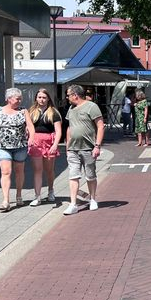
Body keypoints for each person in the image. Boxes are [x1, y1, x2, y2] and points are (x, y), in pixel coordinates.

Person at [0, 88, 35, 212]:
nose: (19, 100)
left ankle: (18, 195)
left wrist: (31, 139)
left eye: (20, 98)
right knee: (6, 172)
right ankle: (6, 200)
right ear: (9, 99)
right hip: (3, 146)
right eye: (17, 98)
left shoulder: (23, 111)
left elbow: (30, 126)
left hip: (20, 146)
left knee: (19, 171)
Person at [63, 84, 105, 215]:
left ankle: (93, 199)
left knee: (90, 175)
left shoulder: (92, 107)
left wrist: (97, 146)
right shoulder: (71, 109)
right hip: (73, 149)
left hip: (88, 148)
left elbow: (100, 126)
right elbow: (70, 128)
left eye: (68, 95)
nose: (67, 97)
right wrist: (67, 147)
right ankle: (73, 203)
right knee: (73, 176)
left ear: (75, 95)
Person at [27, 88, 63, 206]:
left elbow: (58, 131)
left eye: (44, 97)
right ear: (36, 98)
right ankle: (37, 196)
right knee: (37, 170)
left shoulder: (53, 112)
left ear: (48, 99)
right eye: (39, 97)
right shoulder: (31, 111)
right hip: (35, 142)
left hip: (49, 141)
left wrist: (55, 144)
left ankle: (51, 190)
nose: (41, 100)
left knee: (49, 170)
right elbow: (27, 127)